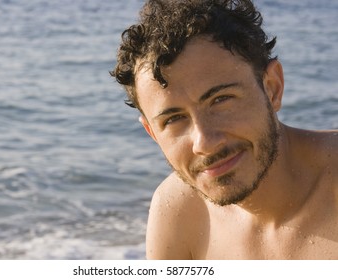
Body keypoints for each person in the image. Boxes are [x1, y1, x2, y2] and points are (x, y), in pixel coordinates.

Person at [111, 0, 338, 259]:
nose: (205, 142)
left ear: (272, 88)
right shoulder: (178, 210)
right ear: (152, 133)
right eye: (174, 119)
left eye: (220, 100)